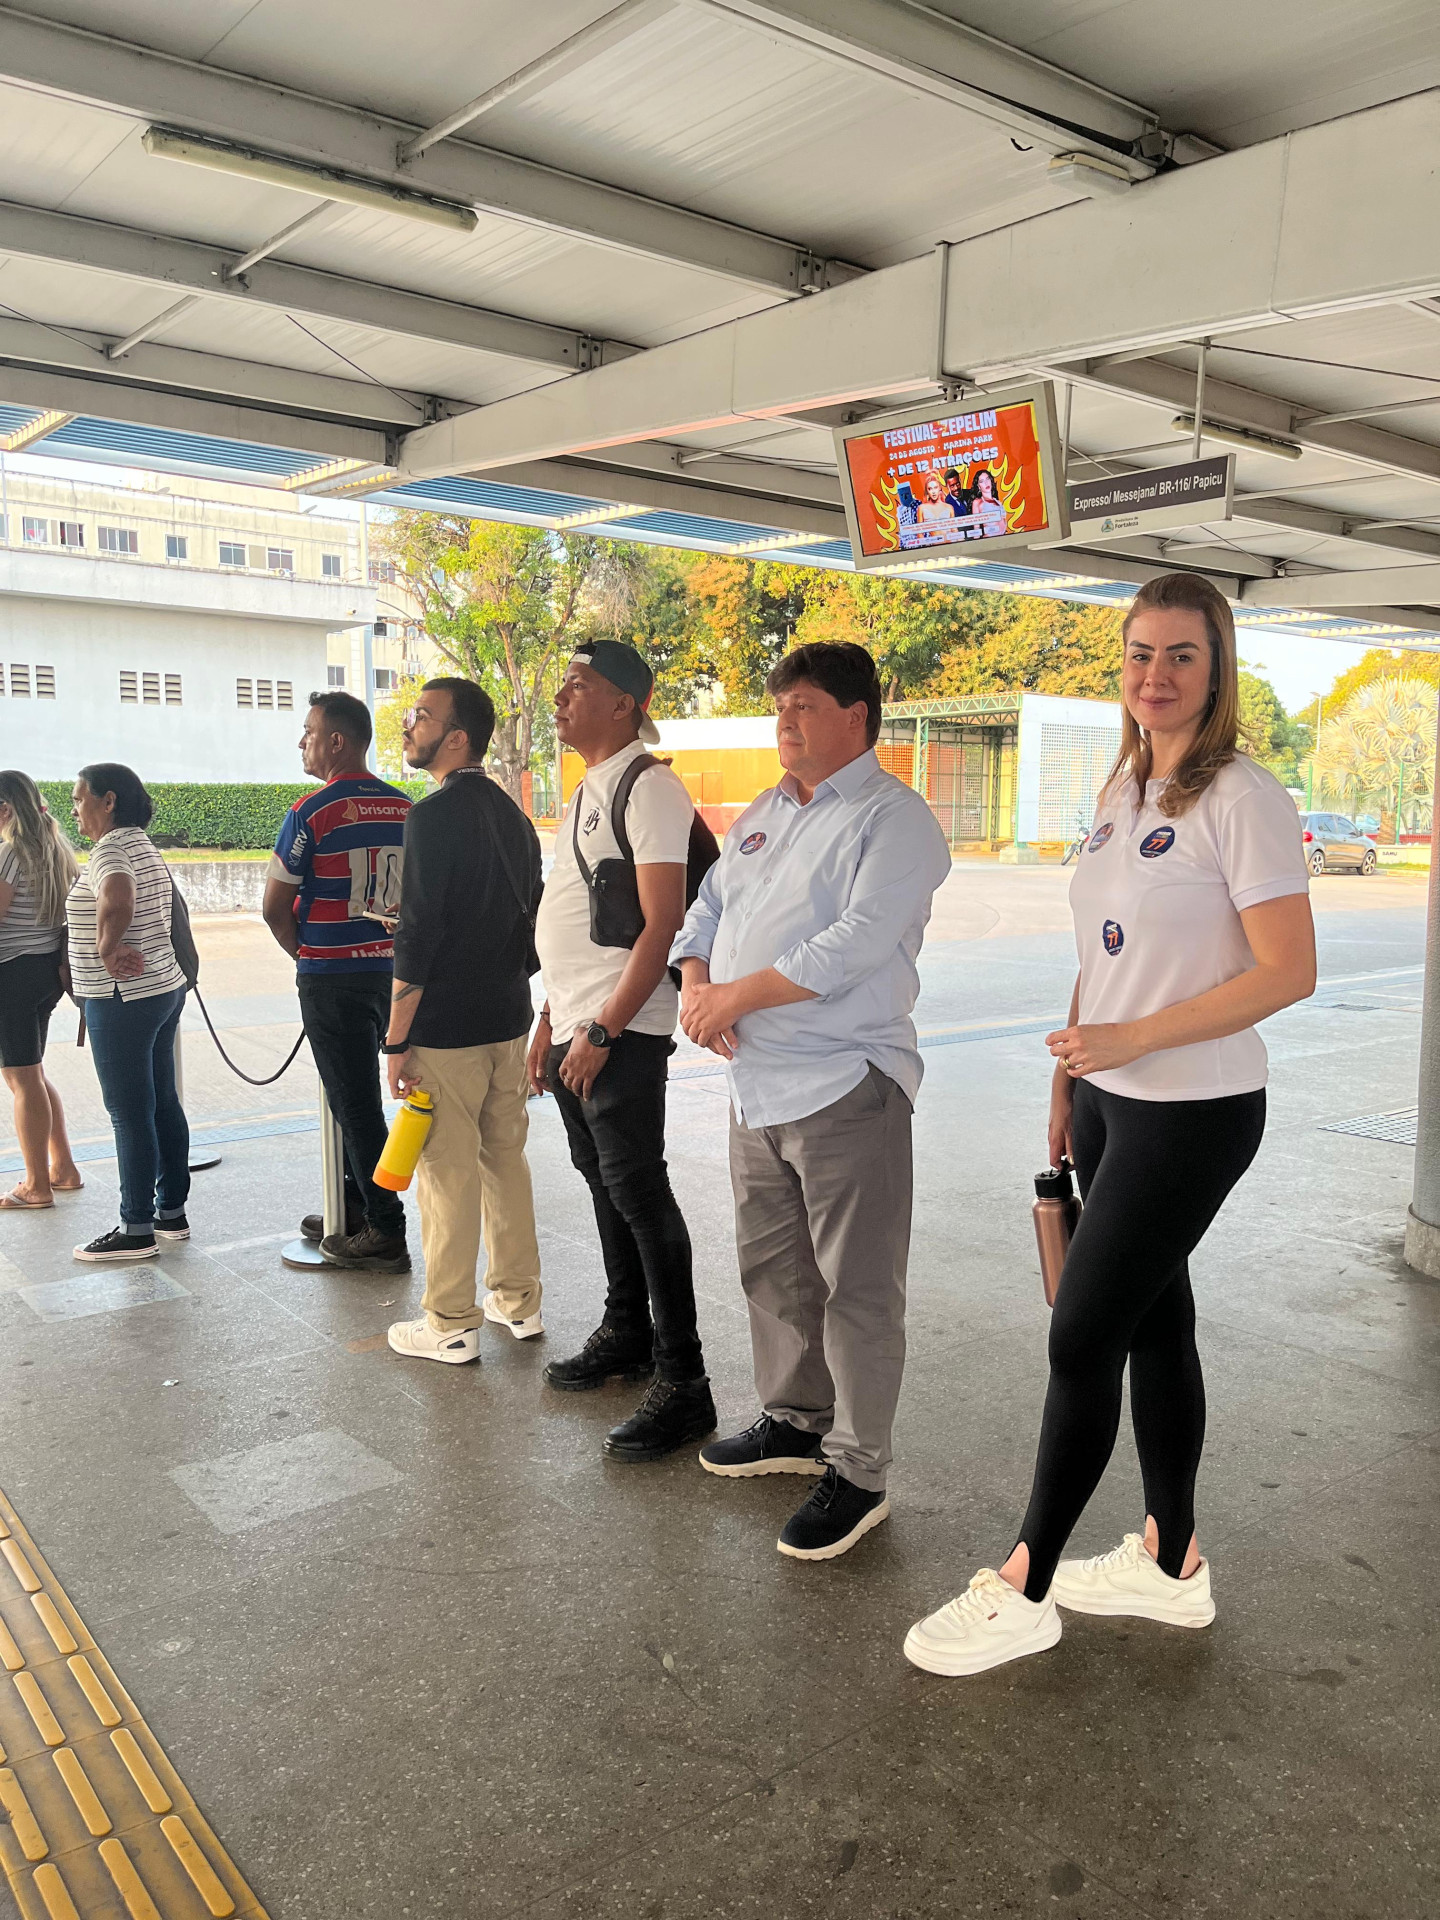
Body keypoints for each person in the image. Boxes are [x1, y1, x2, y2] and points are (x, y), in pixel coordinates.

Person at [904, 572, 1315, 1677]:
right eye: (1140, 653)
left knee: (1081, 1333)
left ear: (1217, 670)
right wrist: (1076, 1065)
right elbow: (1106, 949)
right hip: (1106, 1101)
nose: (1157, 675)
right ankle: (1172, 1560)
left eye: (1182, 655)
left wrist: (1139, 1043)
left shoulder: (1245, 798)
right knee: (1153, 1323)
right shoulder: (1120, 791)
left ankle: (1026, 1581)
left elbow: (1291, 970)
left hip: (1196, 1111)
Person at [673, 642, 951, 1560]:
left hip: (844, 1083)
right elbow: (705, 908)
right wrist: (694, 983)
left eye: (803, 705)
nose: (784, 721)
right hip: (756, 1087)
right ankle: (793, 1420)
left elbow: (855, 944)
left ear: (856, 717)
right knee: (775, 1271)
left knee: (857, 1289)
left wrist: (733, 999)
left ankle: (860, 1468)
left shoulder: (894, 819)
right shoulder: (764, 812)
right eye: (779, 706)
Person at [528, 639, 716, 1462]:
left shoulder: (650, 788)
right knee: (605, 1185)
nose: (562, 698)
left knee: (639, 1192)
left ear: (626, 704)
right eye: (564, 685)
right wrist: (551, 1019)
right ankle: (627, 1332)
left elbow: (662, 923)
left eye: (579, 686)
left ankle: (685, 1380)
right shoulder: (587, 791)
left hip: (622, 1031)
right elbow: (573, 918)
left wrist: (604, 1027)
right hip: (577, 1023)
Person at [383, 678, 545, 1366]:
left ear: (456, 738)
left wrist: (396, 1040)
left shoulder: (432, 816)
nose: (408, 727)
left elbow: (417, 934)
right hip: (508, 1016)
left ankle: (449, 1320)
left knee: (445, 1173)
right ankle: (519, 1301)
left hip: (444, 1028)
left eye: (421, 717)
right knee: (504, 1160)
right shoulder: (513, 816)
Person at [263, 690, 412, 1272]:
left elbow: (275, 905)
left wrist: (308, 956)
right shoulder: (406, 808)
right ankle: (349, 1204)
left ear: (337, 742)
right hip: (394, 976)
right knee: (358, 1100)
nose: (301, 742)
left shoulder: (312, 810)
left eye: (308, 732)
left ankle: (384, 1228)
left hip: (333, 976)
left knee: (354, 1105)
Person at [65, 764, 191, 1263]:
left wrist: (104, 948)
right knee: (160, 1101)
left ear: (108, 800)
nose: (76, 809)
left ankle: (135, 1227)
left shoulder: (112, 849)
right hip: (160, 990)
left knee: (128, 1111)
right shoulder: (140, 842)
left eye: (80, 799)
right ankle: (170, 1213)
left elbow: (117, 898)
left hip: (122, 999)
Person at [0, 770, 82, 1210]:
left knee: (21, 1078)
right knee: (30, 1073)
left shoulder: (9, 853)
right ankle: (63, 1168)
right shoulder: (55, 850)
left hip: (10, 974)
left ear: (7, 810)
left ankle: (36, 1185)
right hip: (46, 972)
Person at [970, 467, 1008, 538]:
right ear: (978, 486)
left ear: (991, 480)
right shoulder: (977, 502)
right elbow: (976, 529)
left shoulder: (998, 502)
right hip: (989, 541)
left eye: (987, 479)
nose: (986, 483)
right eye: (982, 481)